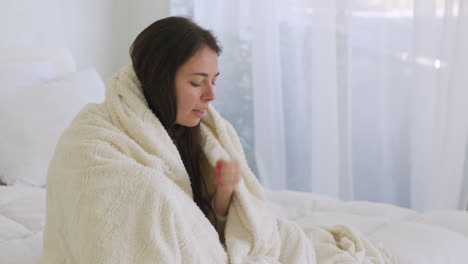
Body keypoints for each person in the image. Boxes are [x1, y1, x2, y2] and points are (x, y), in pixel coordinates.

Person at [130, 16, 240, 233]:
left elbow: (206, 226)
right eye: (197, 83)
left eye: (214, 81)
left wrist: (225, 190)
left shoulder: (191, 133)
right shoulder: (107, 141)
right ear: (160, 80)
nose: (211, 95)